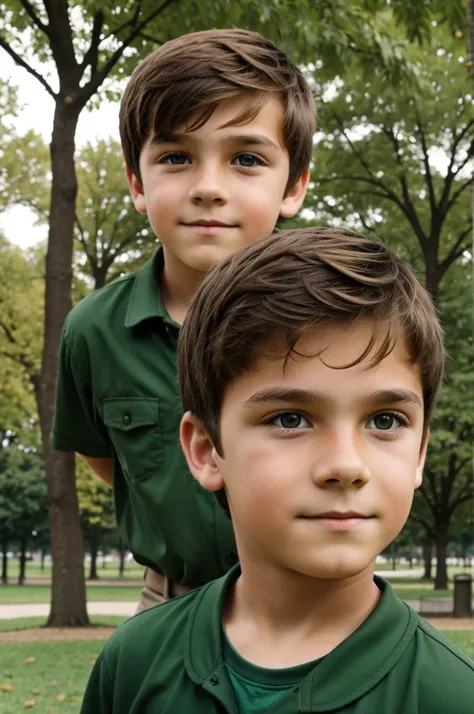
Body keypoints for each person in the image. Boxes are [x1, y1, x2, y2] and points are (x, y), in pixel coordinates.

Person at [81, 226, 474, 713]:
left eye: (385, 420)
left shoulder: (452, 696)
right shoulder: (133, 662)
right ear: (205, 450)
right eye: (290, 419)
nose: (345, 466)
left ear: (419, 454)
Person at [50, 29, 315, 610]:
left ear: (293, 184)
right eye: (176, 157)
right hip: (167, 606)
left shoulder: (334, 326)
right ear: (138, 184)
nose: (209, 189)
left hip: (315, 604)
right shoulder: (93, 332)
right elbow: (107, 461)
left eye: (246, 159)